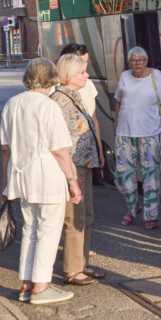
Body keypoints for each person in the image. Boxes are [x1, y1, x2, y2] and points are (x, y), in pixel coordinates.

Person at [0, 58, 81, 305]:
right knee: (48, 231)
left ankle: (27, 285)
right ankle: (41, 288)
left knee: (30, 231)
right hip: (47, 177)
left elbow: (5, 149)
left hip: (21, 177)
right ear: (50, 79)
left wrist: (5, 182)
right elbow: (60, 151)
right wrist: (72, 181)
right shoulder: (48, 106)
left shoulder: (11, 104)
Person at [51, 53, 105, 286]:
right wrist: (71, 175)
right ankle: (72, 270)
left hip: (84, 164)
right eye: (82, 72)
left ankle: (82, 263)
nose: (87, 75)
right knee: (74, 220)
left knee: (87, 216)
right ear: (69, 75)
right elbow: (58, 141)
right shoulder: (60, 100)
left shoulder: (73, 95)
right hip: (72, 169)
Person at [113, 46, 161, 229]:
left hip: (150, 133)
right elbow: (118, 103)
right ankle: (133, 209)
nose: (137, 63)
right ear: (129, 62)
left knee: (151, 177)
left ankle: (150, 215)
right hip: (125, 133)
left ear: (146, 61)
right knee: (124, 176)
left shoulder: (156, 76)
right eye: (133, 60)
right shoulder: (124, 76)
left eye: (140, 60)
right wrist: (116, 126)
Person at [59, 44, 104, 182]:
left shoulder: (88, 85)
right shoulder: (57, 91)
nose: (85, 66)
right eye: (81, 62)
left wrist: (99, 150)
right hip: (72, 160)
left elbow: (93, 120)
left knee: (87, 201)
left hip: (88, 157)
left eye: (86, 61)